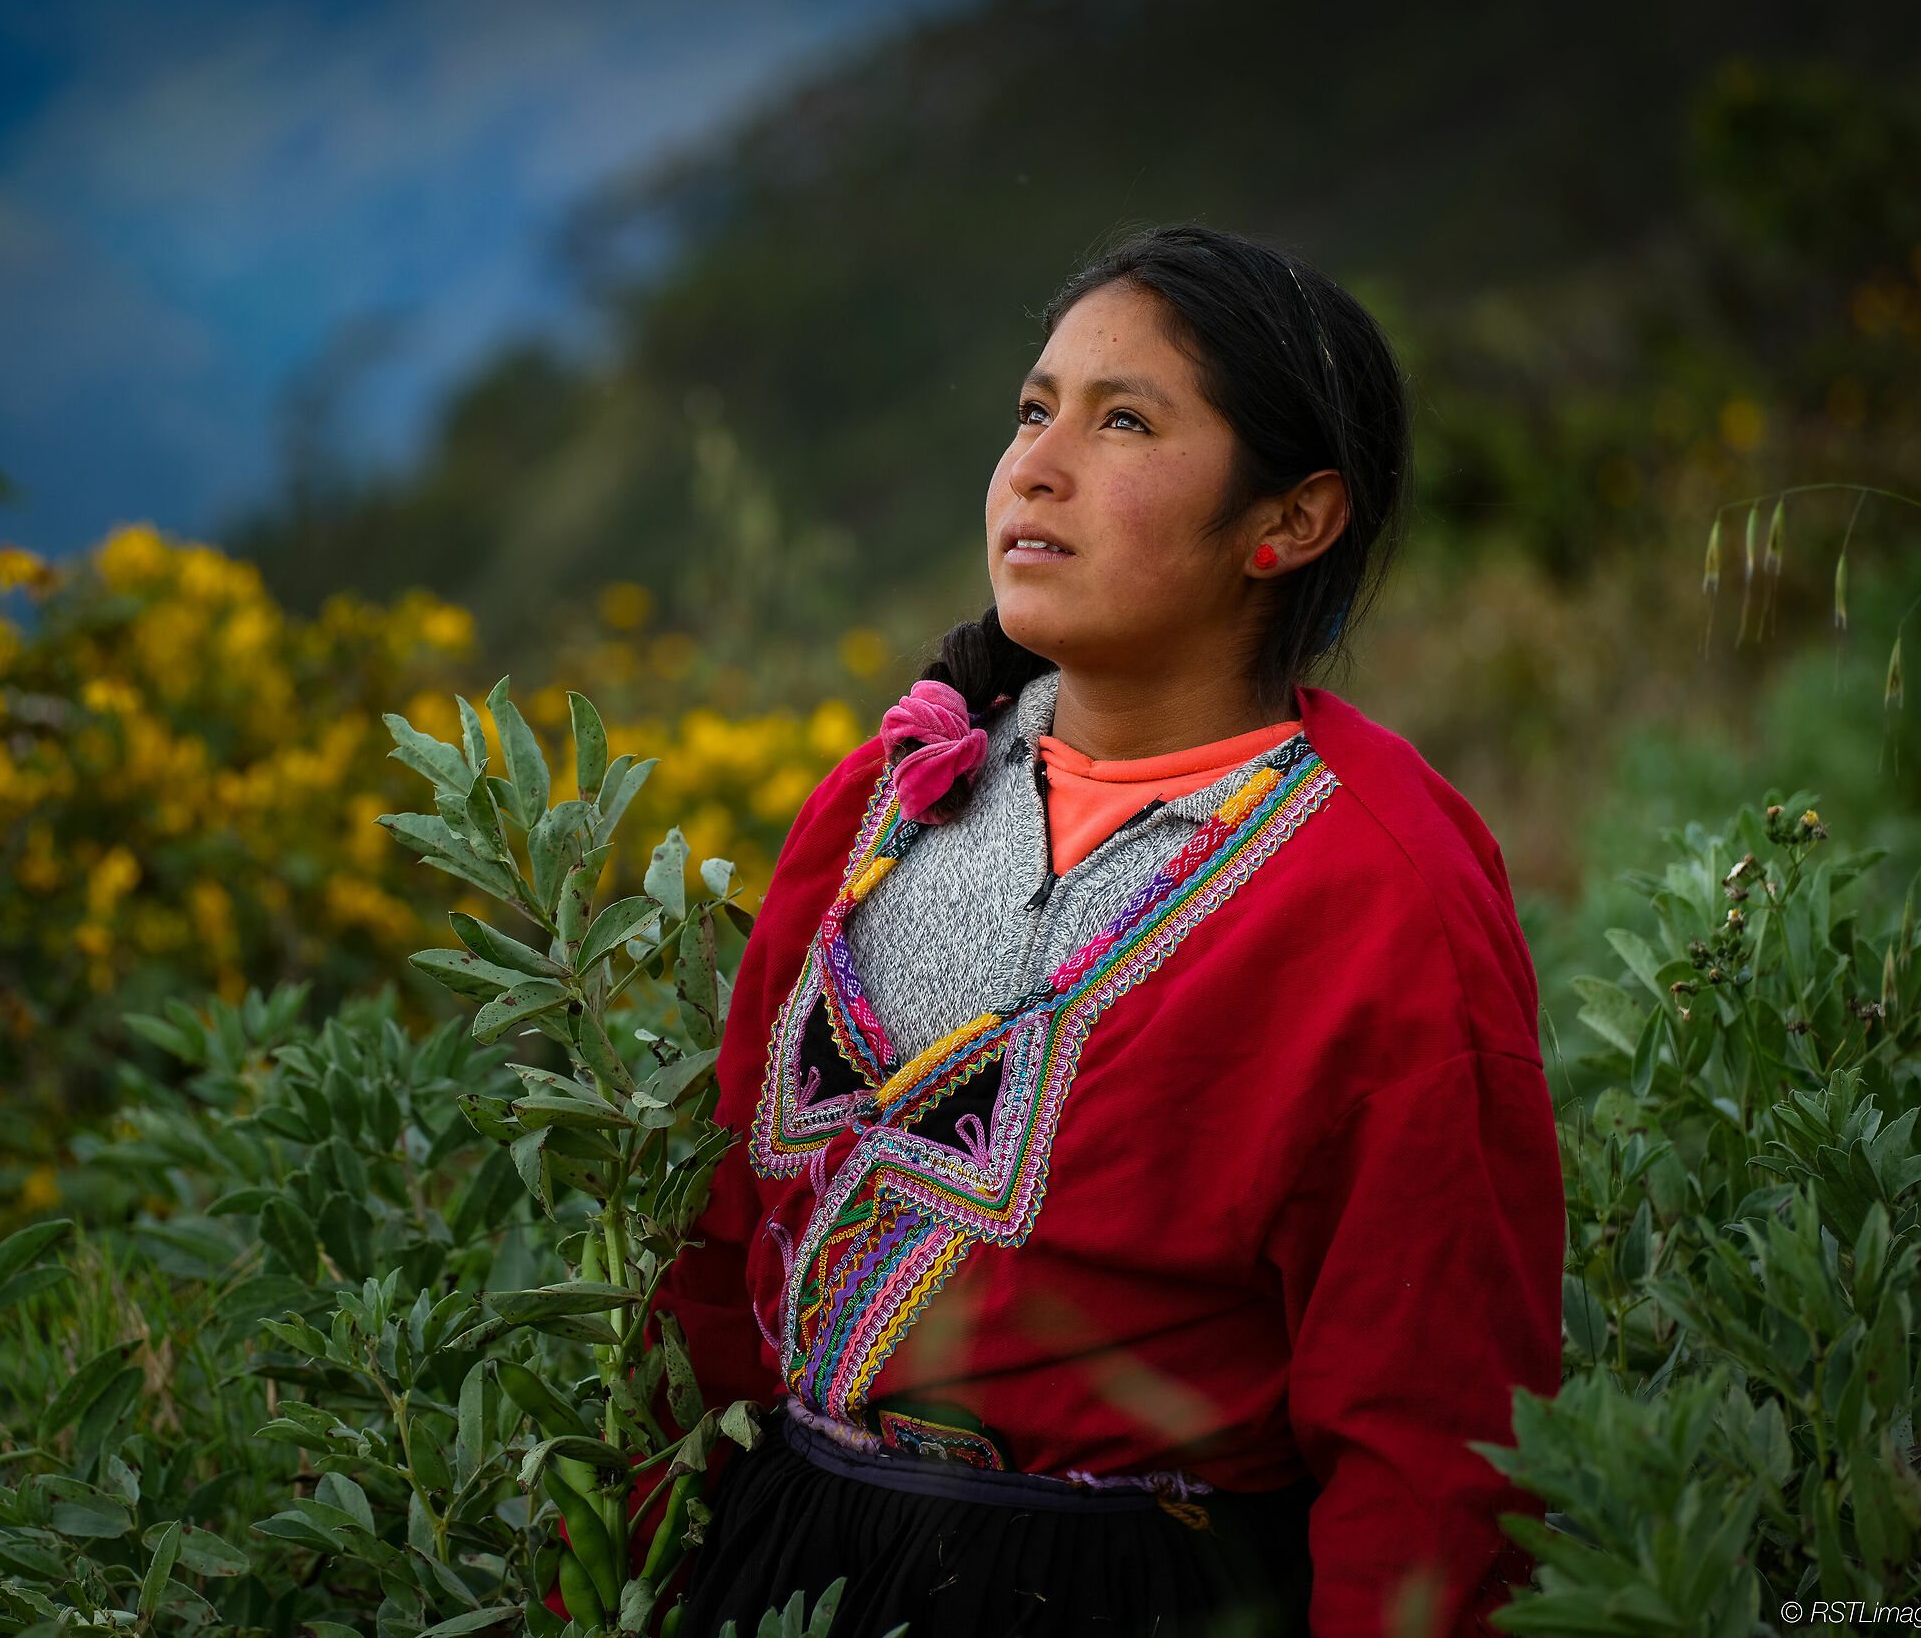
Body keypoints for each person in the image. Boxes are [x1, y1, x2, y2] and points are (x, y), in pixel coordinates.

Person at [659, 227, 1564, 1638]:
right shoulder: (891, 795)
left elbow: (1433, 1428)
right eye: (1034, 411)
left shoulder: (1380, 887)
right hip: (777, 1560)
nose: (1036, 464)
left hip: (1128, 1590)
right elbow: (711, 1244)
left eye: (1125, 420)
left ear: (1291, 521)